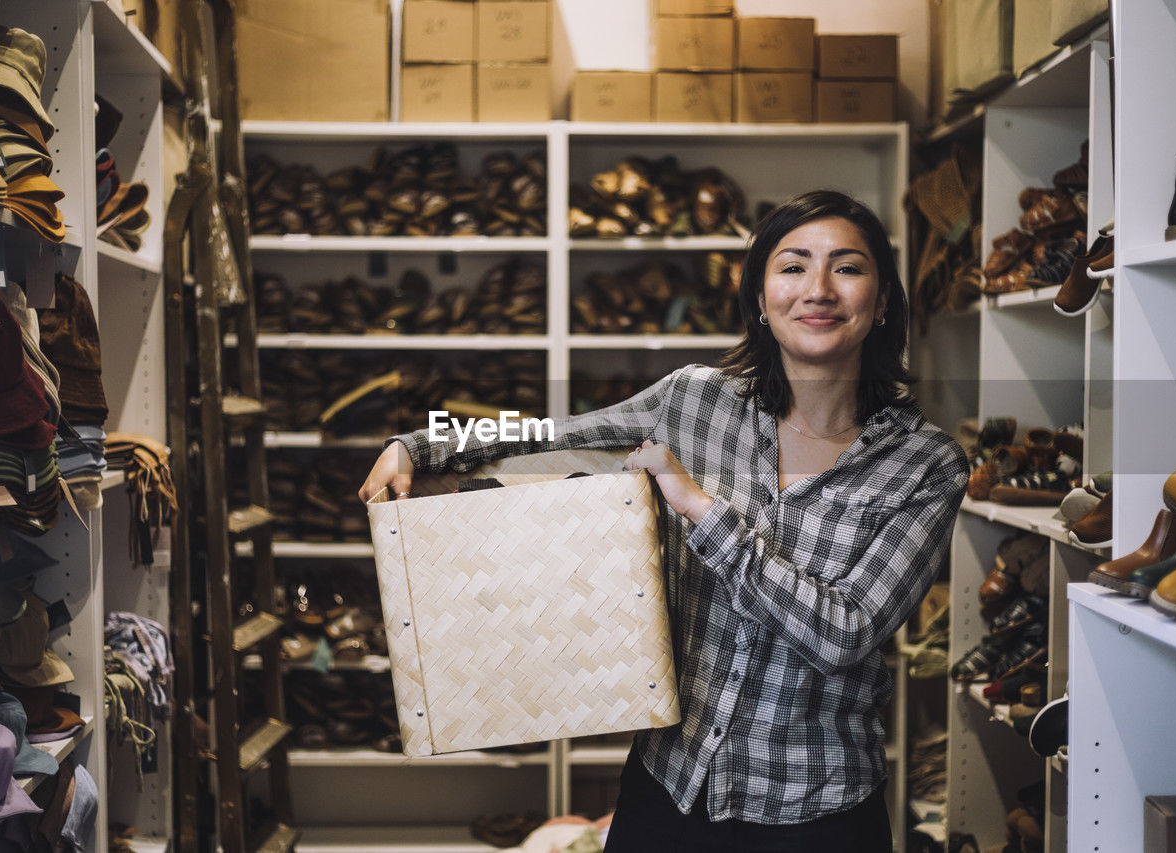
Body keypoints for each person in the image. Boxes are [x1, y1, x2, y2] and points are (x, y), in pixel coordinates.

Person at [358, 190, 969, 852]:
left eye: (847, 268)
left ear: (881, 303)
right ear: (760, 300)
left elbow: (844, 634)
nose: (817, 288)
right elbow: (551, 433)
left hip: (818, 811)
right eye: (792, 266)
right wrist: (420, 444)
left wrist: (701, 508)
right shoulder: (692, 401)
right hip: (669, 793)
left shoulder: (925, 463)